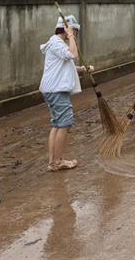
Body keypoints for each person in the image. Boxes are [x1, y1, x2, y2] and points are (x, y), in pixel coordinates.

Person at [40, 14, 92, 172]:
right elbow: (73, 55)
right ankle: (57, 161)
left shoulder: (56, 44)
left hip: (53, 89)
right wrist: (71, 38)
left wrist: (82, 69)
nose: (75, 35)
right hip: (56, 90)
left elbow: (64, 64)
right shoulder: (57, 42)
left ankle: (53, 161)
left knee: (57, 124)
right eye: (74, 31)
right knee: (64, 124)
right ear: (69, 30)